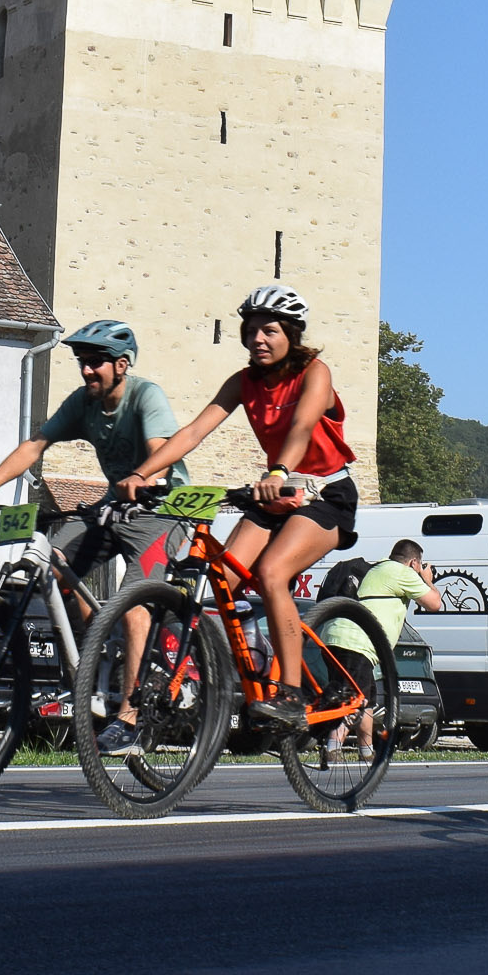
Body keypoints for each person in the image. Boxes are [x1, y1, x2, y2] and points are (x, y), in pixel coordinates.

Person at [119, 285, 357, 735]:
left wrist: (280, 469)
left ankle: (291, 692)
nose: (258, 340)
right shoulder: (243, 382)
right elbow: (193, 432)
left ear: (291, 335)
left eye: (269, 331)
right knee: (222, 580)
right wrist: (142, 473)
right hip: (276, 495)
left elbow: (302, 426)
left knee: (271, 573)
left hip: (325, 493)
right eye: (251, 332)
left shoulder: (315, 373)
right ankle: (255, 656)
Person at [0, 318, 178, 752]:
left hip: (160, 511)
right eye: (82, 361)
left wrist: (143, 479)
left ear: (122, 365)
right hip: (111, 507)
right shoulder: (83, 403)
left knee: (134, 603)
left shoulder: (145, 396)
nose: (86, 370)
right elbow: (35, 445)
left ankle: (130, 716)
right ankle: (94, 650)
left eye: (95, 362)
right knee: (52, 563)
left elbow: (162, 452)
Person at [318, 541, 444, 752]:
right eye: (419, 565)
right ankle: (332, 748)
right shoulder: (401, 572)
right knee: (355, 700)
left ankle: (366, 751)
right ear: (413, 562)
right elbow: (434, 603)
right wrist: (427, 579)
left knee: (366, 700)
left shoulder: (379, 568)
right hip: (356, 642)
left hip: (335, 637)